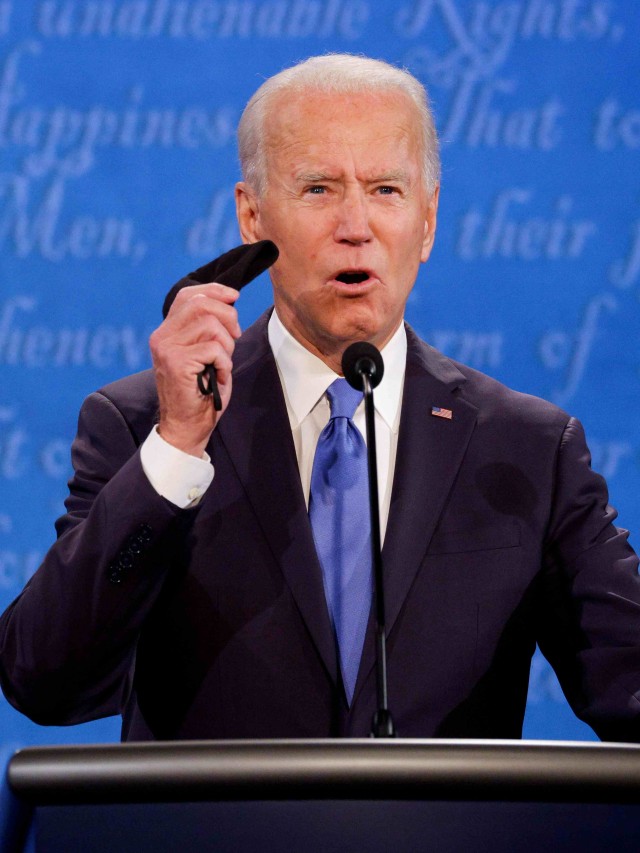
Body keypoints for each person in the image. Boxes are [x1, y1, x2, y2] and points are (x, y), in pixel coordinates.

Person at [1, 55, 639, 741]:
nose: (356, 224)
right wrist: (177, 451)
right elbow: (46, 678)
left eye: (387, 190)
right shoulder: (142, 429)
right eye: (319, 189)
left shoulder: (527, 452)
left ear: (426, 222)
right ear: (252, 216)